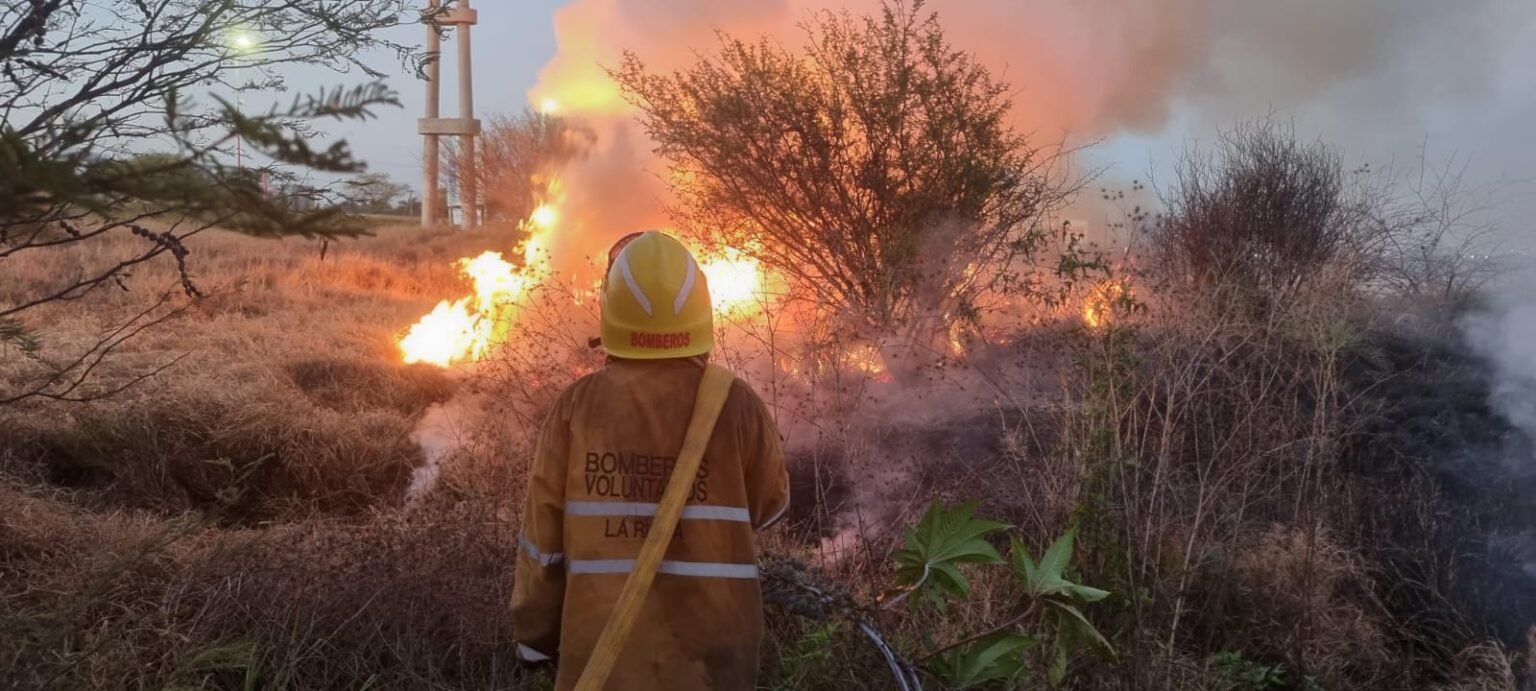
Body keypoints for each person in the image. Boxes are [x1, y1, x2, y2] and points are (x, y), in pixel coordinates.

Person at [511, 230, 791, 691]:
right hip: (715, 664)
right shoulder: (737, 404)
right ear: (701, 313)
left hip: (602, 657)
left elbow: (543, 542)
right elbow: (771, 506)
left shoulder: (577, 407)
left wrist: (534, 639)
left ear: (610, 314)